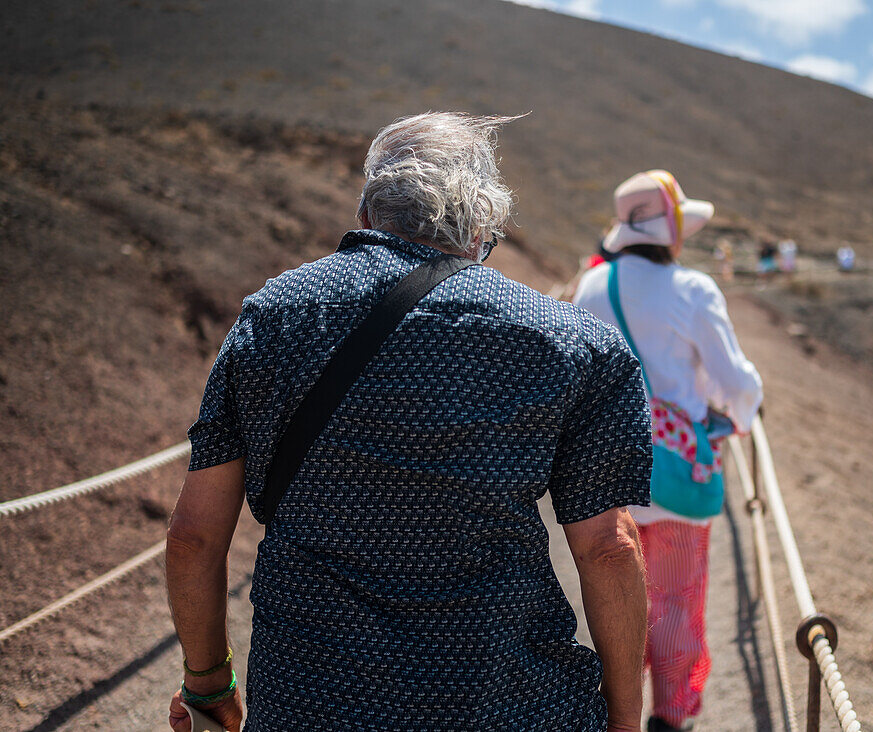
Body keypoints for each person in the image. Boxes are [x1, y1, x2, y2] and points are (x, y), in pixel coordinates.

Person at [166, 112, 653, 732]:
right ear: (483, 225)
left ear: (367, 214)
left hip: (310, 701)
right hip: (507, 704)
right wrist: (625, 720)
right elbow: (609, 548)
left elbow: (194, 538)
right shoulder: (572, 343)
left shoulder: (276, 317)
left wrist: (209, 684)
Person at [573, 170, 763, 732]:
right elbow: (736, 380)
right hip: (678, 476)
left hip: (607, 475)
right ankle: (670, 717)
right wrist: (742, 414)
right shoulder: (692, 290)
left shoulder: (591, 286)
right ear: (672, 231)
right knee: (677, 601)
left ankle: (618, 715)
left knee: (614, 600)